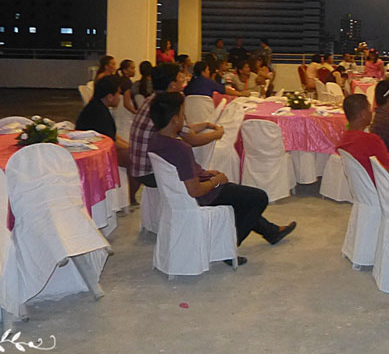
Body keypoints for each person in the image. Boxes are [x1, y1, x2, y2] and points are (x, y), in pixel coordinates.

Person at [148, 91, 296, 262]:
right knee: (258, 198)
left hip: (183, 192)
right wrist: (216, 181)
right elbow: (195, 190)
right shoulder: (181, 149)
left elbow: (183, 171)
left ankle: (271, 231)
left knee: (245, 199)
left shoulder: (156, 139)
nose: (185, 118)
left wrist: (205, 173)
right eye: (183, 114)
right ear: (174, 119)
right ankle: (227, 247)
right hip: (203, 196)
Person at [129, 63, 225, 188]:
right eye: (180, 77)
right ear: (172, 84)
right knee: (200, 170)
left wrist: (205, 125)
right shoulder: (168, 105)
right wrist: (218, 134)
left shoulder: (153, 100)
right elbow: (193, 140)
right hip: (152, 171)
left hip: (140, 167)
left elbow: (183, 129)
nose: (184, 80)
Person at [76, 75, 139, 204]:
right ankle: (129, 197)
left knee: (135, 153)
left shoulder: (98, 106)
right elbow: (111, 142)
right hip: (95, 152)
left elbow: (113, 135)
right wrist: (131, 149)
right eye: (118, 93)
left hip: (99, 146)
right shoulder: (98, 112)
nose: (120, 97)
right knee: (137, 160)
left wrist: (129, 146)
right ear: (110, 96)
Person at [336, 93, 389, 200]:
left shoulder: (343, 140)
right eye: (369, 109)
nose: (372, 112)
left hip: (363, 192)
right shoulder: (371, 140)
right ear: (363, 114)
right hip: (387, 192)